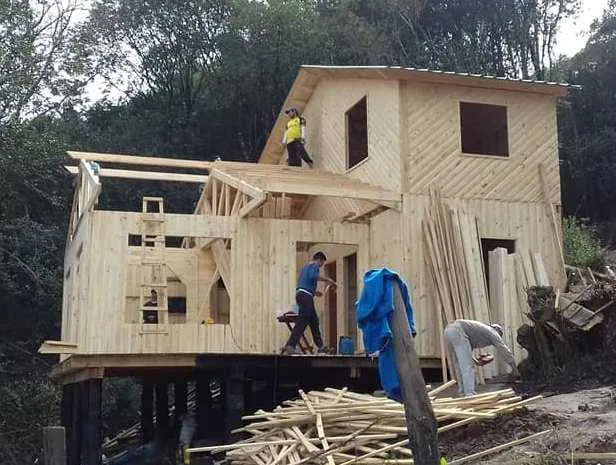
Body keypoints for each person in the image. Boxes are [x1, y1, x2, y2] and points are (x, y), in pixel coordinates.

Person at [444, 319, 519, 397]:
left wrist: (476, 361)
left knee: (459, 365)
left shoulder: (480, 330)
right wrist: (515, 369)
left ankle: (462, 392)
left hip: (448, 331)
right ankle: (469, 394)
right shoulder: (493, 332)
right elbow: (505, 351)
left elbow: (466, 353)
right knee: (467, 367)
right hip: (458, 331)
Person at [281, 252, 337, 355]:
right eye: (321, 264)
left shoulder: (305, 268)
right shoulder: (314, 266)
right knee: (302, 321)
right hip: (306, 296)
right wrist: (328, 279)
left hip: (302, 294)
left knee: (314, 321)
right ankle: (290, 345)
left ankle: (320, 346)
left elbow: (304, 282)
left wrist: (315, 292)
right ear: (319, 260)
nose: (320, 266)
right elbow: (313, 276)